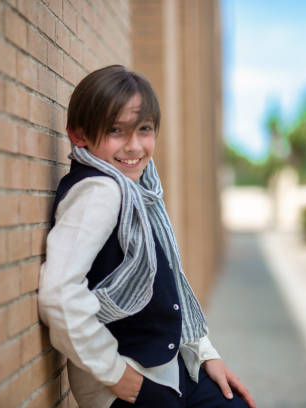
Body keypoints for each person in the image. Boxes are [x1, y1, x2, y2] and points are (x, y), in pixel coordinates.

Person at [38, 65, 256, 408]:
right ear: (79, 135)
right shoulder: (101, 192)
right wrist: (122, 379)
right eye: (116, 131)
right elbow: (59, 296)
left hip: (170, 369)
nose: (134, 146)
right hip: (126, 384)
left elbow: (171, 282)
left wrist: (204, 354)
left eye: (144, 129)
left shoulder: (139, 191)